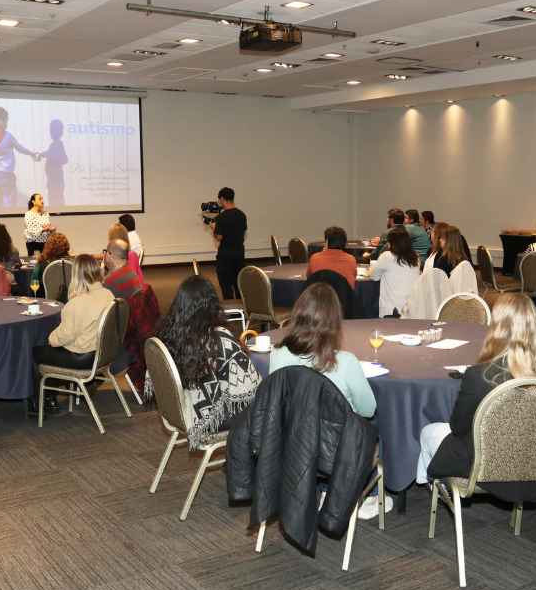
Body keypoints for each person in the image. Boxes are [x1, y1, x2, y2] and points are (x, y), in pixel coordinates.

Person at [419, 293, 536, 500]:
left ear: (497, 326)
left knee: (429, 431)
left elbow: (457, 427)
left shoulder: (480, 375)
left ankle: (433, 488)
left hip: (486, 467)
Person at [147, 276, 261, 448]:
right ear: (212, 305)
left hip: (178, 410)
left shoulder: (165, 333)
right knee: (268, 405)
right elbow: (250, 387)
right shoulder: (219, 339)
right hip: (205, 418)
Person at [270, 283, 375, 418]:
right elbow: (368, 410)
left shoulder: (278, 354)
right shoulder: (346, 362)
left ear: (297, 315)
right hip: (337, 437)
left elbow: (275, 403)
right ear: (335, 322)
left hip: (291, 435)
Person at [29, 254, 116, 413]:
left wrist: (49, 337)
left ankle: (42, 402)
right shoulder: (108, 295)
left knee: (36, 352)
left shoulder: (77, 303)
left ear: (76, 275)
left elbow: (60, 339)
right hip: (101, 354)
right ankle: (62, 391)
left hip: (82, 357)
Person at [0, 105, 41, 208]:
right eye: (6, 120)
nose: (7, 123)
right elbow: (20, 148)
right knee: (11, 203)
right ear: (1, 121)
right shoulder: (8, 136)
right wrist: (32, 153)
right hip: (6, 175)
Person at [368, 226, 420, 317]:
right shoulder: (416, 257)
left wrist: (372, 268)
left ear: (391, 243)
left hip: (391, 311)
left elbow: (373, 276)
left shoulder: (386, 256)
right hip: (412, 309)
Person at [212, 187, 247, 300]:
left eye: (219, 199)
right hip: (239, 254)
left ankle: (230, 310)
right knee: (239, 285)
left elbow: (219, 237)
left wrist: (213, 228)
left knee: (226, 286)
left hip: (225, 256)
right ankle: (242, 309)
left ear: (222, 199)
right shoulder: (242, 215)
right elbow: (243, 233)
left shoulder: (221, 217)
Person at [43, 119, 68, 208]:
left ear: (60, 132)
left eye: (53, 130)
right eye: (51, 130)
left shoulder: (58, 144)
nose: (51, 132)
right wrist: (45, 154)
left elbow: (65, 159)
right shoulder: (53, 145)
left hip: (56, 180)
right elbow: (50, 154)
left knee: (56, 201)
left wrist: (48, 155)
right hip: (53, 180)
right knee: (54, 201)